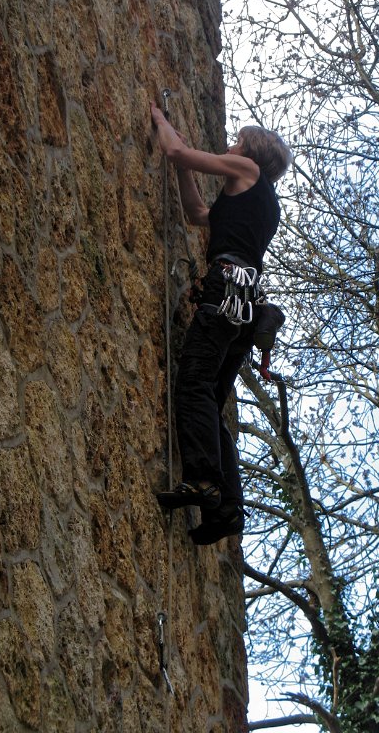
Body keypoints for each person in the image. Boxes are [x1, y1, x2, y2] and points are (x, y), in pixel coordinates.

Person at [150, 101, 292, 544]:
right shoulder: (261, 203)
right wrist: (183, 170)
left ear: (251, 150)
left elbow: (177, 153)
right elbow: (198, 216)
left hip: (225, 293)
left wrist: (161, 120)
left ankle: (205, 479)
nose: (231, 147)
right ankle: (227, 508)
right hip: (243, 309)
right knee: (209, 401)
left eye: (237, 142)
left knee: (193, 382)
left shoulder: (245, 168)